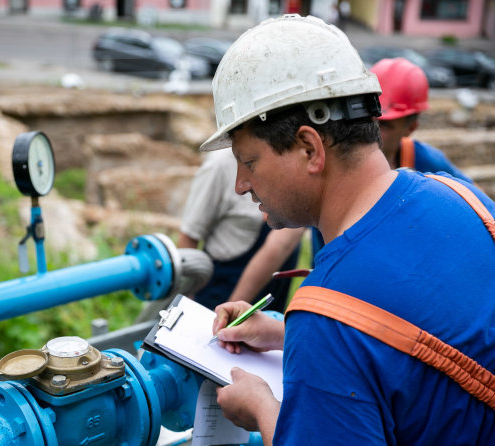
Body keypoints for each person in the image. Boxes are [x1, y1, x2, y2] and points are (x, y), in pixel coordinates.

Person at [200, 15, 495, 446]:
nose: (241, 185)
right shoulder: (465, 200)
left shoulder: (330, 320)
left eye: (249, 163)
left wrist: (262, 408)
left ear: (308, 149)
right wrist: (283, 332)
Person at [231, 56, 476, 296]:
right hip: (337, 288)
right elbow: (280, 244)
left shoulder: (426, 164)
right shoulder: (334, 168)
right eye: (372, 118)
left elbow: (475, 212)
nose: (373, 128)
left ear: (410, 127)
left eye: (386, 125)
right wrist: (236, 301)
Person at [178, 149, 300, 312]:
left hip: (270, 296)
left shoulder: (292, 160)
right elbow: (189, 237)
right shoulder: (219, 165)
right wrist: (187, 305)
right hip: (221, 290)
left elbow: (281, 245)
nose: (240, 186)